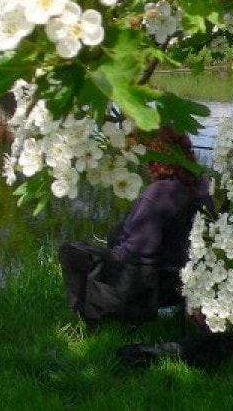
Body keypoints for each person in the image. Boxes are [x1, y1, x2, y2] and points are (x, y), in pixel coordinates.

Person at [59, 126, 215, 327]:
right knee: (117, 230)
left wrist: (111, 255)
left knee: (72, 251)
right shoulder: (203, 185)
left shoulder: (157, 194)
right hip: (183, 277)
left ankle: (86, 316)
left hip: (151, 283)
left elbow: (135, 254)